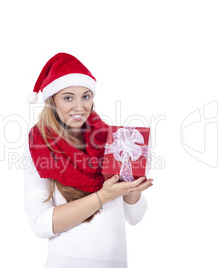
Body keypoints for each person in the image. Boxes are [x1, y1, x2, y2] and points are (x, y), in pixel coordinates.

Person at [23, 52, 154, 268]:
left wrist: (131, 181)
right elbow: (40, 224)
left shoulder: (111, 139)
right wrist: (102, 196)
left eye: (86, 96)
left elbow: (135, 216)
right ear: (52, 101)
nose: (79, 106)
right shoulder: (40, 146)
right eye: (68, 97)